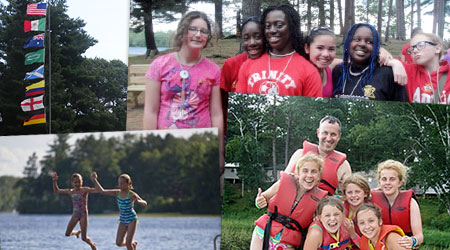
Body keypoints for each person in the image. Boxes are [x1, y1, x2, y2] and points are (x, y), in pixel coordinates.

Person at [143, 11, 223, 131]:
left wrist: (219, 147)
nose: (198, 35)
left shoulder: (213, 70)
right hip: (166, 142)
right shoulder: (159, 65)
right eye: (193, 29)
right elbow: (150, 111)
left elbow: (216, 114)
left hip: (202, 143)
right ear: (182, 31)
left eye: (204, 31)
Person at [235, 4, 322, 97]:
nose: (272, 30)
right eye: (268, 26)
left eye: (279, 25)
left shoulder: (309, 71)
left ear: (292, 27)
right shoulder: (248, 65)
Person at [251, 153, 328, 250]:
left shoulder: (321, 199)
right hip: (263, 232)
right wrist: (259, 202)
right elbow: (263, 199)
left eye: (314, 171)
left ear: (319, 176)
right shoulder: (283, 183)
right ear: (298, 173)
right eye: (305, 171)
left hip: (289, 241)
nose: (309, 175)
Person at [332, 23, 408, 101]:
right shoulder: (338, 71)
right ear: (348, 43)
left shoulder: (388, 74)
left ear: (376, 47)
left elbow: (403, 110)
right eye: (357, 39)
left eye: (369, 42)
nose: (362, 44)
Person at [277, 115, 351, 196]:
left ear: (339, 136)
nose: (329, 138)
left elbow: (351, 195)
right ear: (318, 133)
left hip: (321, 207)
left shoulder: (344, 165)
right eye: (325, 133)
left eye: (333, 134)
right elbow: (282, 182)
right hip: (289, 207)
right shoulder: (299, 154)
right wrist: (263, 197)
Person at [220, 16, 265, 132]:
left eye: (257, 37)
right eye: (246, 38)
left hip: (261, 127)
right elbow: (221, 103)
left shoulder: (276, 66)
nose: (252, 43)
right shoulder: (231, 65)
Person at [371, 160, 423, 249]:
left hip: (403, 243)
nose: (387, 182)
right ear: (379, 182)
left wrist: (412, 241)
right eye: (384, 179)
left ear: (399, 182)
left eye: (392, 179)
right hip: (381, 243)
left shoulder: (411, 203)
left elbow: (419, 236)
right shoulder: (371, 199)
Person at [386, 32, 450, 104]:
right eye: (412, 49)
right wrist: (395, 63)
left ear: (437, 48)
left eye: (421, 45)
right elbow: (379, 57)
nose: (415, 51)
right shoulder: (408, 70)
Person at [91, 173, 147, 250]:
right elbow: (102, 191)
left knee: (128, 242)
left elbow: (145, 203)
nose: (120, 185)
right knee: (118, 243)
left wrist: (137, 201)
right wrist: (94, 180)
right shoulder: (117, 192)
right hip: (123, 220)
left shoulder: (131, 194)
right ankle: (133, 244)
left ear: (128, 184)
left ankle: (130, 244)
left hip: (132, 219)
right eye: (119, 183)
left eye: (122, 183)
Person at [52, 173, 97, 250]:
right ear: (72, 183)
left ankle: (92, 245)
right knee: (67, 234)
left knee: (84, 238)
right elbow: (57, 191)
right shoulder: (70, 191)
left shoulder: (85, 190)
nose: (77, 184)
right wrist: (54, 181)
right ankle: (76, 232)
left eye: (79, 182)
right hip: (75, 214)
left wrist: (95, 180)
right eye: (75, 182)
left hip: (83, 215)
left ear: (82, 182)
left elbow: (97, 190)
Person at [342, 174, 371, 247]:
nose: (353, 195)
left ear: (365, 194)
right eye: (349, 192)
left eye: (357, 192)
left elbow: (368, 247)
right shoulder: (340, 209)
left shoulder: (371, 213)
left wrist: (352, 233)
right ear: (345, 195)